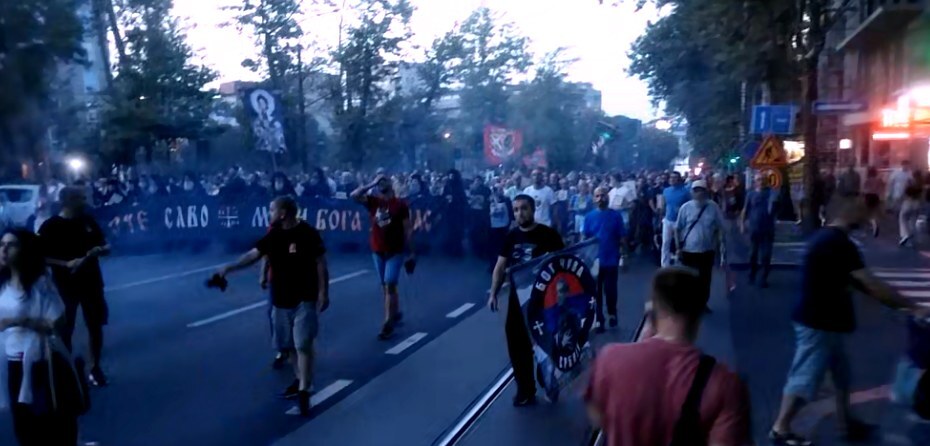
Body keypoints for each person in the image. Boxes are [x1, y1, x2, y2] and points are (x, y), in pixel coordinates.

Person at [769, 199, 930, 445]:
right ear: (851, 212)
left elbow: (857, 283)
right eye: (865, 214)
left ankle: (847, 424)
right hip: (819, 322)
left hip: (824, 320)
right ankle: (780, 429)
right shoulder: (838, 244)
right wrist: (911, 306)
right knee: (805, 375)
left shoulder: (827, 239)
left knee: (841, 376)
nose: (868, 220)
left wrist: (895, 306)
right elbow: (870, 284)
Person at [584, 267, 752, 446]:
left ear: (652, 311)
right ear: (698, 315)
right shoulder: (724, 385)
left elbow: (598, 418)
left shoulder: (609, 359)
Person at [216, 196, 330, 416]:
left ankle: (305, 389)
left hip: (304, 298)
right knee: (287, 346)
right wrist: (229, 268)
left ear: (283, 213)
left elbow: (320, 263)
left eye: (271, 210)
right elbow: (254, 255)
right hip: (280, 300)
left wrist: (324, 292)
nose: (269, 214)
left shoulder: (307, 233)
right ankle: (300, 380)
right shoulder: (274, 235)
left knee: (303, 344)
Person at [0, 228, 81, 445]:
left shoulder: (41, 284)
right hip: (14, 365)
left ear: (24, 250)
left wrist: (20, 321)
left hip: (43, 363)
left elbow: (58, 321)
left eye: (11, 244)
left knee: (54, 423)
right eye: (2, 244)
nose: (4, 249)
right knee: (24, 428)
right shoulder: (2, 286)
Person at [488, 194, 564, 406]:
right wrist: (493, 292)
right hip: (517, 300)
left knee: (545, 342)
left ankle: (549, 380)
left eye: (524, 209)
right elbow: (500, 266)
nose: (520, 213)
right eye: (516, 209)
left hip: (543, 299)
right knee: (516, 344)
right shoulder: (512, 236)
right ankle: (525, 389)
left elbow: (563, 263)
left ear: (532, 210)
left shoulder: (548, 234)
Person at [38, 186, 111, 387]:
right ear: (69, 201)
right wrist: (65, 264)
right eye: (80, 198)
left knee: (95, 325)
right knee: (65, 328)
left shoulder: (88, 221)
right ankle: (67, 371)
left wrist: (100, 250)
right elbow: (40, 257)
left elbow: (106, 245)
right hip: (65, 286)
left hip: (92, 282)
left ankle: (95, 368)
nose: (84, 201)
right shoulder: (50, 226)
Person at [351, 174, 415, 340]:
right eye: (379, 181)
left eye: (384, 180)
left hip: (395, 251)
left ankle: (387, 323)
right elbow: (354, 196)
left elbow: (408, 229)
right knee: (385, 286)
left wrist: (411, 252)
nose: (381, 182)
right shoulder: (374, 202)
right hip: (378, 250)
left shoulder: (400, 205)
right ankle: (395, 311)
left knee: (390, 283)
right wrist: (371, 183)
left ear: (391, 185)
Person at [675, 180, 727, 309]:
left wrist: (721, 246)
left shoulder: (713, 207)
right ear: (692, 193)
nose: (698, 194)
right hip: (689, 249)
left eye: (701, 191)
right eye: (696, 191)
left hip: (707, 250)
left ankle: (702, 303)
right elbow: (677, 228)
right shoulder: (685, 208)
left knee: (705, 279)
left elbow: (721, 227)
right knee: (688, 278)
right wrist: (677, 247)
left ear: (706, 192)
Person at [583, 187, 626, 334]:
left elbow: (621, 236)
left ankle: (612, 313)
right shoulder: (589, 217)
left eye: (603, 195)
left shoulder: (615, 216)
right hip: (595, 261)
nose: (600, 198)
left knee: (610, 290)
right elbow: (585, 239)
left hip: (611, 259)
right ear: (594, 199)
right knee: (596, 292)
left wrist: (623, 254)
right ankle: (599, 319)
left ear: (607, 197)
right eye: (597, 196)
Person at [740, 174, 777, 288]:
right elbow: (745, 209)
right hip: (754, 228)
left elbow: (774, 205)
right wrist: (742, 224)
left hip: (767, 229)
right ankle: (752, 274)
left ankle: (763, 278)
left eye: (763, 179)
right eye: (758, 180)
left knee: (766, 255)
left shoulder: (771, 193)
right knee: (753, 254)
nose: (761, 182)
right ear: (755, 182)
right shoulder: (751, 194)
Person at [658, 171, 690, 267]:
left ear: (679, 179)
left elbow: (689, 205)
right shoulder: (666, 191)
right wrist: (661, 215)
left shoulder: (685, 192)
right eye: (671, 177)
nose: (672, 179)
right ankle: (664, 264)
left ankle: (681, 261)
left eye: (675, 177)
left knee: (680, 243)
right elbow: (663, 204)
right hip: (668, 220)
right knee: (665, 242)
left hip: (680, 221)